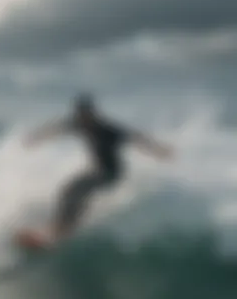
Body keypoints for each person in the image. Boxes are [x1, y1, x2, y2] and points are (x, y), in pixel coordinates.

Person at [23, 94, 174, 243]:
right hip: (96, 171)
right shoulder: (78, 124)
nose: (84, 121)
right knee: (67, 191)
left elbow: (135, 137)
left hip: (112, 173)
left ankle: (64, 228)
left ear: (92, 114)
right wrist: (36, 137)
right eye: (81, 116)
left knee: (79, 190)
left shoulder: (108, 130)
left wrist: (159, 150)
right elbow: (57, 128)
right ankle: (59, 226)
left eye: (86, 116)